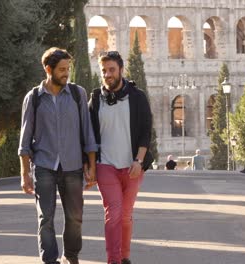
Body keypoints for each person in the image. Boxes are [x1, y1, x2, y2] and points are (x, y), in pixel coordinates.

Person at [18, 47, 97, 264]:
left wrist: (92, 166)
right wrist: (25, 173)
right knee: (46, 218)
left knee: (75, 218)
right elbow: (25, 140)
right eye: (62, 69)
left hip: (73, 166)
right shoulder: (34, 98)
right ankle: (50, 260)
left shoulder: (77, 94)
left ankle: (71, 256)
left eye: (68, 69)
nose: (66, 73)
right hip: (44, 166)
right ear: (48, 69)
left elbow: (87, 132)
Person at [88, 51, 153, 264]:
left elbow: (146, 130)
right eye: (104, 70)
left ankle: (125, 256)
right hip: (105, 165)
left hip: (133, 166)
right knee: (113, 213)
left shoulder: (137, 96)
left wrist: (139, 160)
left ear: (121, 70)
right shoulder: (96, 98)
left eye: (111, 70)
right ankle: (113, 260)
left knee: (125, 215)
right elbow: (89, 134)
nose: (107, 74)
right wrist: (89, 165)